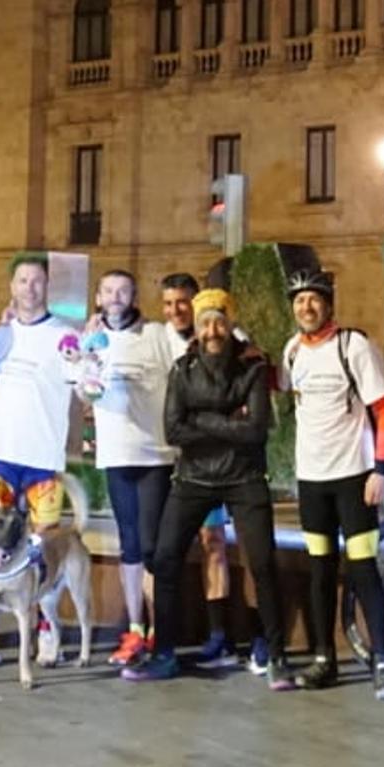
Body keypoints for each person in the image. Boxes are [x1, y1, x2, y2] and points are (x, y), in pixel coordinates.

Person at [122, 289, 293, 690]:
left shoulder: (252, 365)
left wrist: (203, 419)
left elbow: (255, 431)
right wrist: (224, 420)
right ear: (196, 329)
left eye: (218, 321)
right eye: (204, 323)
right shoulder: (183, 368)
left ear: (230, 323)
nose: (212, 330)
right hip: (194, 477)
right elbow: (174, 430)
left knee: (264, 562)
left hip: (245, 477)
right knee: (164, 559)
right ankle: (164, 653)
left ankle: (277, 656)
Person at [281, 268, 384, 701]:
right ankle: (323, 658)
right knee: (319, 570)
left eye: (313, 299)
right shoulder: (292, 351)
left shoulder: (354, 346)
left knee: (363, 567)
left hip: (353, 477)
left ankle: (383, 661)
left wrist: (381, 470)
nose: (306, 307)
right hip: (311, 480)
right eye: (298, 301)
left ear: (328, 303)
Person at [0, 254, 78, 659]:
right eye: (22, 281)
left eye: (37, 281)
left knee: (43, 550)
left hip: (43, 459)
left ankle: (46, 628)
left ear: (47, 286)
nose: (30, 288)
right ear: (11, 287)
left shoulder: (65, 336)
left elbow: (84, 387)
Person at [161, 272, 251, 671]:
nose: (176, 310)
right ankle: (165, 635)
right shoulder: (156, 336)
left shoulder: (236, 343)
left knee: (220, 543)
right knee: (169, 548)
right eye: (169, 304)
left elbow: (251, 407)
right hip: (173, 462)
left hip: (223, 466)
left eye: (184, 302)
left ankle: (225, 634)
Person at [87, 270, 176, 667]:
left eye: (123, 290)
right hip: (115, 454)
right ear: (98, 296)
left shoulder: (157, 334)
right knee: (129, 544)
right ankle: (135, 629)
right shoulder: (92, 339)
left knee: (153, 546)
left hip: (155, 454)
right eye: (108, 290)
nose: (116, 297)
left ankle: (161, 630)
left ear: (134, 295)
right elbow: (81, 387)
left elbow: (189, 355)